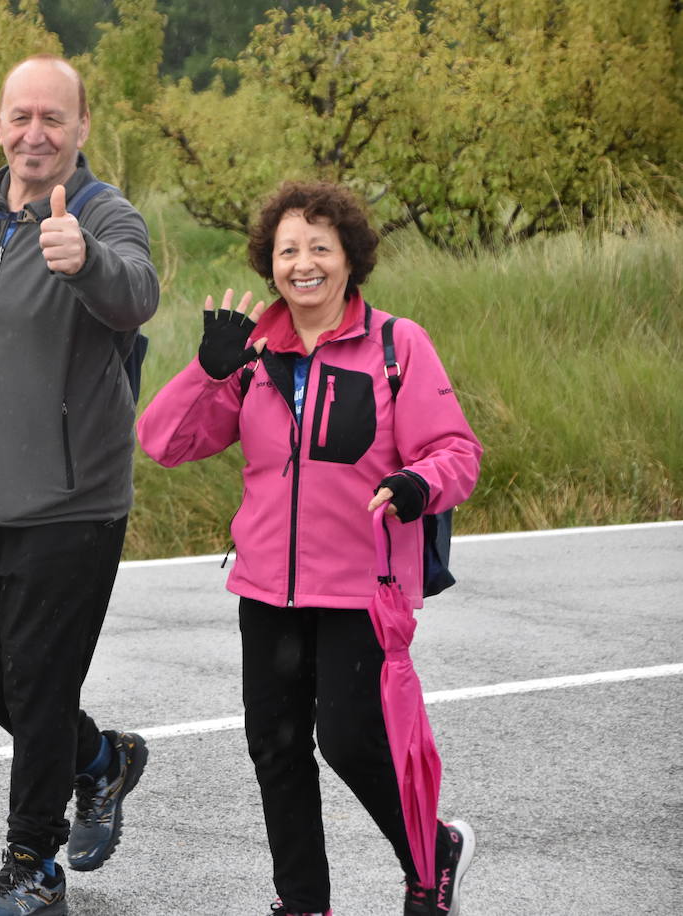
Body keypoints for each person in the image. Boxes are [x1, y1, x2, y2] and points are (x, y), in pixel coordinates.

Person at [136, 180, 481, 916]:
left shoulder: (397, 345)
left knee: (352, 741)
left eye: (320, 248)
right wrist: (209, 369)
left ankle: (432, 856)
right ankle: (302, 903)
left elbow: (457, 451)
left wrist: (419, 483)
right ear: (271, 264)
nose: (304, 264)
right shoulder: (254, 358)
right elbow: (161, 442)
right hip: (266, 587)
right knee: (278, 749)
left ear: (350, 259)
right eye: (288, 250)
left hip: (363, 584)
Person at [0, 54, 159, 916]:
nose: (35, 133)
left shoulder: (103, 214)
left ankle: (31, 865)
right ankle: (99, 761)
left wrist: (83, 260)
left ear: (82, 127)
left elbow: (137, 297)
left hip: (73, 502)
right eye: (21, 117)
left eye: (54, 117)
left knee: (40, 681)